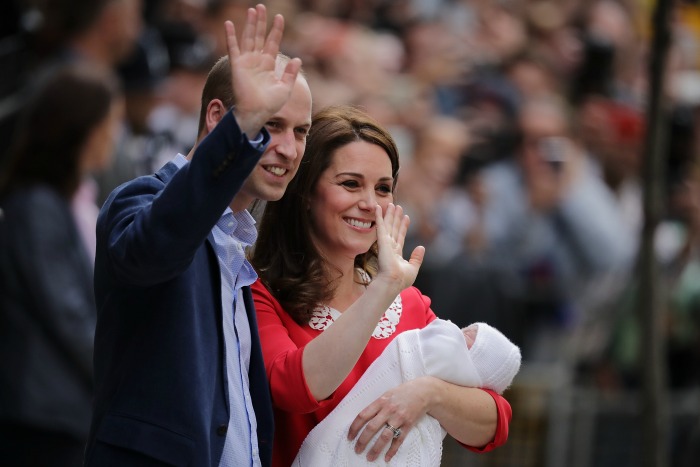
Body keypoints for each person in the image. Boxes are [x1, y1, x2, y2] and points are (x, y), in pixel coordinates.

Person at [84, 5, 312, 466]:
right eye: (270, 125)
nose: (288, 149)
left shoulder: (238, 245)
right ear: (217, 117)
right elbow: (156, 246)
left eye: (301, 132)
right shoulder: (140, 201)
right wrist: (240, 130)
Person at [250, 104, 513, 467]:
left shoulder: (409, 303)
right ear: (306, 193)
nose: (370, 205)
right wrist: (383, 287)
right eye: (351, 184)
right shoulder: (258, 293)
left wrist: (429, 394)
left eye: (384, 189)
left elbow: (495, 423)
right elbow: (293, 389)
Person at [0, 62, 123, 466]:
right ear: (81, 131)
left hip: (66, 409)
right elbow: (67, 313)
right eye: (109, 123)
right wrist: (122, 372)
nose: (114, 136)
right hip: (41, 415)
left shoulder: (75, 202)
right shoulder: (36, 206)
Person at [294, 319, 522, 466]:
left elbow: (497, 417)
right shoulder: (266, 294)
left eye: (469, 336)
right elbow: (288, 386)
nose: (458, 330)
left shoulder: (411, 301)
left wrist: (429, 392)